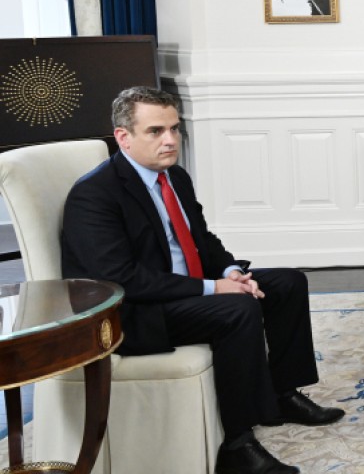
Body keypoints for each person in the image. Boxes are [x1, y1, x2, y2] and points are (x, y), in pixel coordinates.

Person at [62, 87, 343, 474]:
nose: (170, 140)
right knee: (238, 309)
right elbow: (122, 279)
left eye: (174, 129)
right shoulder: (94, 195)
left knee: (288, 283)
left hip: (183, 289)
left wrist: (230, 272)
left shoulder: (174, 177)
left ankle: (282, 395)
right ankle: (238, 445)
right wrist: (214, 288)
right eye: (156, 131)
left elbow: (202, 240)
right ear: (123, 137)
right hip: (136, 312)